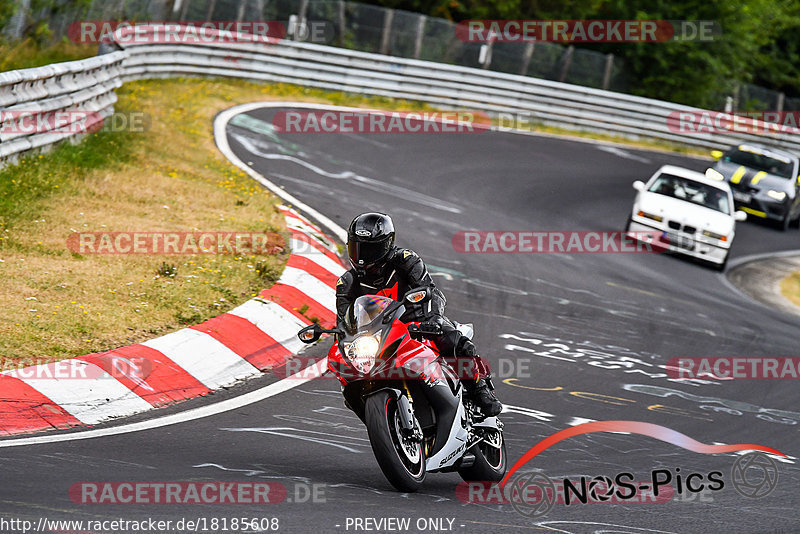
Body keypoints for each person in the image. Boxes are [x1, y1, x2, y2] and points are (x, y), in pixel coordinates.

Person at [335, 212, 503, 416]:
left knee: (452, 340)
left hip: (418, 322)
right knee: (350, 375)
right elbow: (344, 322)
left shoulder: (406, 261)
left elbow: (431, 291)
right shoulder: (347, 282)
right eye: (358, 248)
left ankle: (480, 389)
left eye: (370, 249)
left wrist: (432, 319)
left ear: (387, 244)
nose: (363, 257)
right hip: (380, 336)